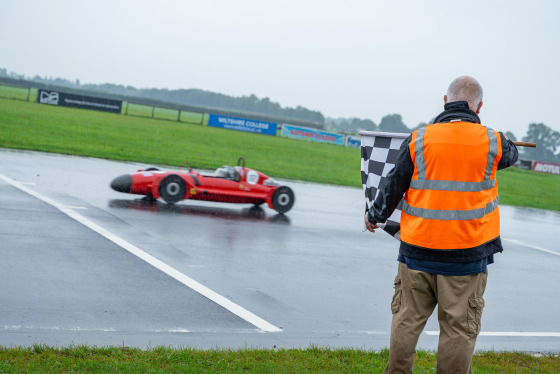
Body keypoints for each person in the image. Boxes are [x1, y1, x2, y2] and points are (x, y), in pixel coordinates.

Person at [364, 76, 518, 373]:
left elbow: (394, 184)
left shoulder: (420, 138)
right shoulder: (492, 140)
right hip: (465, 257)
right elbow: (511, 154)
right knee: (458, 331)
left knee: (406, 321)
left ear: (445, 102)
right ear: (479, 107)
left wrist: (375, 215)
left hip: (415, 253)